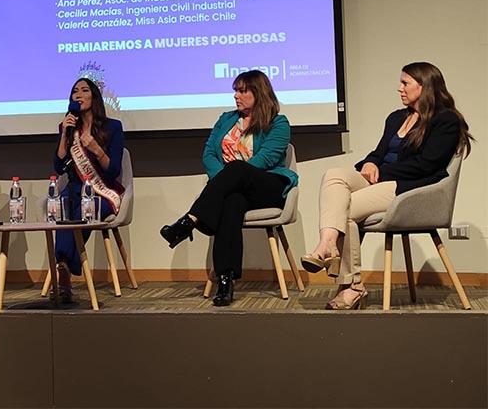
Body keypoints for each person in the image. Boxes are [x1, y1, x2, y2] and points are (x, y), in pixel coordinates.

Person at [302, 62, 473, 310]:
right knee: (334, 175)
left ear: (424, 86)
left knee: (345, 211)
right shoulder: (396, 118)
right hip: (382, 179)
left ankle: (351, 287)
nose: (399, 88)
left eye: (405, 83)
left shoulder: (445, 120)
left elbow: (426, 165)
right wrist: (370, 163)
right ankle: (327, 245)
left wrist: (381, 171)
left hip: (409, 187)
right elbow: (379, 152)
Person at [160, 70, 298, 307]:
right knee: (231, 203)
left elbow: (264, 160)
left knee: (237, 169)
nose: (236, 96)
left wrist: (231, 174)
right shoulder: (226, 119)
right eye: (235, 90)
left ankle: (190, 220)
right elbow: (209, 153)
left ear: (259, 92)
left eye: (242, 90)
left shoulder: (278, 123)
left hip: (266, 185)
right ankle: (226, 281)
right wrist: (224, 179)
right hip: (233, 188)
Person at [53, 78, 125, 302]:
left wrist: (94, 147)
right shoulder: (67, 127)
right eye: (75, 91)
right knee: (63, 209)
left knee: (88, 207)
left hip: (101, 191)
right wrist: (65, 135)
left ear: (94, 97)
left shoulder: (113, 127)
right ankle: (65, 266)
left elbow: (113, 171)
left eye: (84, 90)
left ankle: (64, 265)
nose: (79, 95)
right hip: (74, 187)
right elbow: (58, 166)